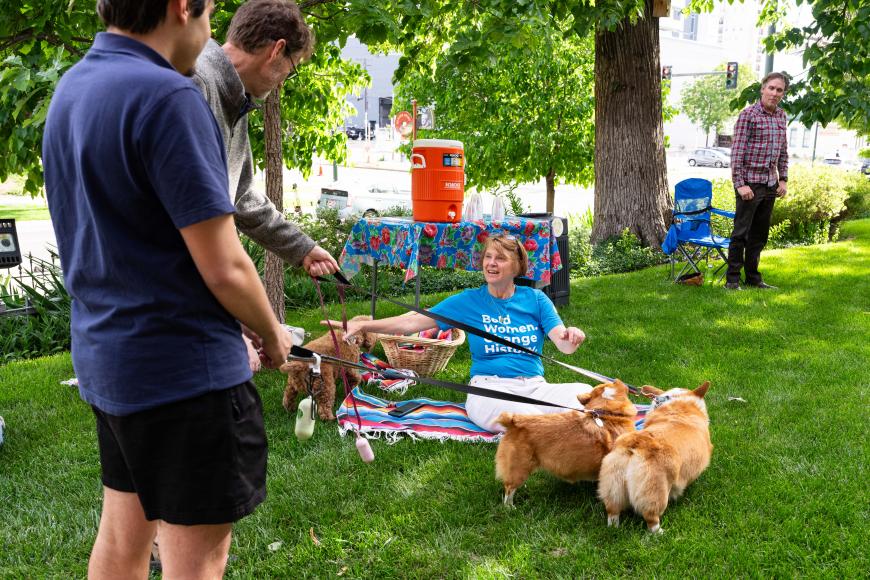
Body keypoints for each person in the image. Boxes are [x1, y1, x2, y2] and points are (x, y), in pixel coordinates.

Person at [41, 1, 293, 577]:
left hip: (112, 364)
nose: (208, 34)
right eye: (208, 16)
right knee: (195, 562)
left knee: (122, 537)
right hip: (184, 375)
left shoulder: (73, 88)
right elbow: (225, 266)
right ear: (183, 8)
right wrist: (272, 333)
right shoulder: (169, 96)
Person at [191, 0, 339, 369]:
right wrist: (235, 327)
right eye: (290, 72)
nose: (282, 83)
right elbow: (193, 226)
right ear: (276, 51)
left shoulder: (233, 95)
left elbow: (241, 196)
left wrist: (302, 248)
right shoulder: (197, 86)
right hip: (179, 320)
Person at [325, 234, 589, 433]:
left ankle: (561, 426)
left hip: (534, 385)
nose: (492, 263)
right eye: (488, 257)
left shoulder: (536, 299)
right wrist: (365, 326)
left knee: (588, 394)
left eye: (500, 258)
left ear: (517, 265)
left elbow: (563, 344)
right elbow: (413, 322)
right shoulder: (469, 301)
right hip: (489, 389)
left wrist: (571, 337)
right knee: (529, 420)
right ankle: (558, 430)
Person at [726, 71, 790, 290]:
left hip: (770, 184)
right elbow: (737, 152)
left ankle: (753, 278)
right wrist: (740, 183)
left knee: (759, 235)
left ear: (783, 94)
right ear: (763, 89)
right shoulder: (748, 115)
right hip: (749, 183)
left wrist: (783, 180)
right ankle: (732, 280)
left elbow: (783, 151)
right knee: (741, 234)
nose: (774, 93)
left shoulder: (782, 116)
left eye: (779, 90)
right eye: (771, 88)